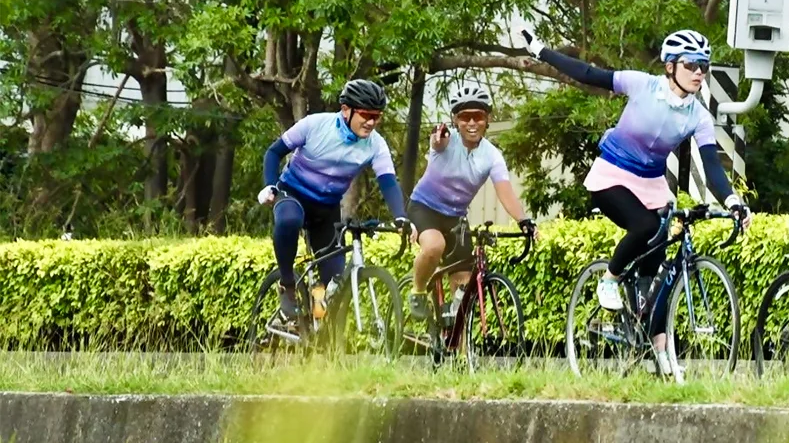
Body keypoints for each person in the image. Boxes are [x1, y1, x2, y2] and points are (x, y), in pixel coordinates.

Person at [518, 26, 750, 377]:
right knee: (644, 225)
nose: (700, 72)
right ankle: (609, 279)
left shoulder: (699, 117)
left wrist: (733, 201)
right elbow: (588, 74)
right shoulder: (642, 84)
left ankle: (657, 346)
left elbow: (713, 167)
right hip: (611, 174)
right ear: (670, 66)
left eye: (705, 65)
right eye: (692, 64)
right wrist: (541, 51)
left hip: (651, 183)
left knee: (657, 260)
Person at [258, 79, 410, 319]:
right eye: (366, 115)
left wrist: (401, 216)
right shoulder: (315, 125)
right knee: (288, 220)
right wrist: (269, 185)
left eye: (377, 116)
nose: (371, 122)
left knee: (334, 286)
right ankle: (287, 285)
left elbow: (388, 181)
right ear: (346, 110)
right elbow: (274, 152)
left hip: (326, 210)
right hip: (292, 195)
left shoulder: (376, 145)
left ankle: (320, 336)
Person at [406, 84, 535, 322]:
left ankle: (461, 354)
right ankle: (418, 291)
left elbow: (504, 191)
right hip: (424, 207)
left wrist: (524, 220)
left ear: (488, 119)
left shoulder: (492, 155)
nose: (472, 123)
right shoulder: (446, 140)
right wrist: (438, 136)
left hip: (455, 216)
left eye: (479, 117)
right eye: (465, 117)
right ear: (455, 119)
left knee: (463, 289)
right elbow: (438, 141)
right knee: (434, 246)